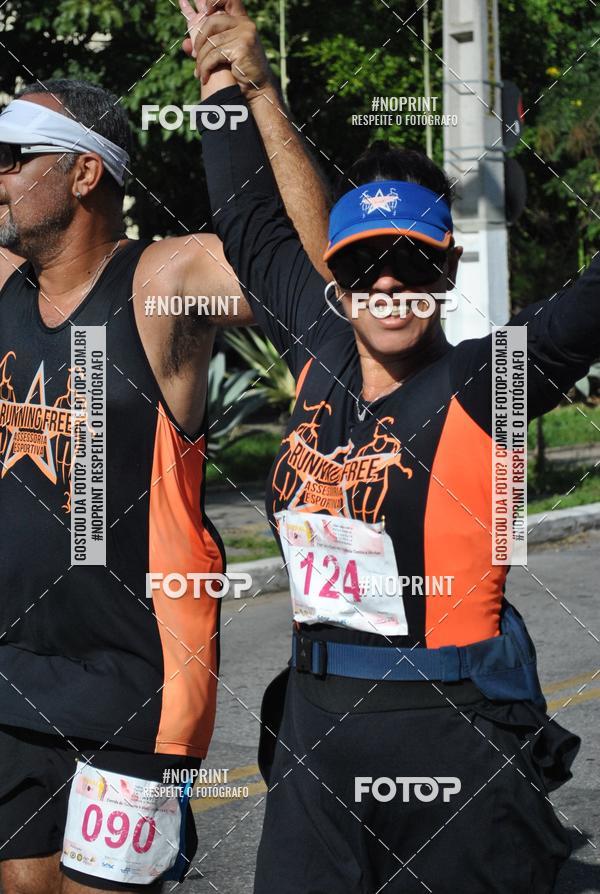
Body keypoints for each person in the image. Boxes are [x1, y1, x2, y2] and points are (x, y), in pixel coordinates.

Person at [195, 40, 596, 894]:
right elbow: (245, 214)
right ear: (337, 279)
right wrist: (221, 71)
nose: (389, 285)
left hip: (452, 740)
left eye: (414, 263)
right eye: (365, 265)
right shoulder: (314, 338)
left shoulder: (489, 383)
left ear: (446, 272)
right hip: (314, 741)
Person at [0, 2, 331, 891]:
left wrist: (248, 88)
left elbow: (312, 271)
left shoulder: (164, 282)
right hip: (11, 675)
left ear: (81, 175)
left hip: (137, 686)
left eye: (13, 157)